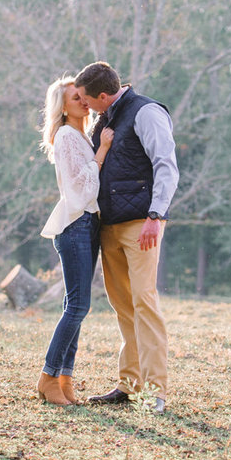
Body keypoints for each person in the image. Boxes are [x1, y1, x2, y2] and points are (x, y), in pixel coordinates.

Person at [74, 61, 178, 414]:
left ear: (103, 96)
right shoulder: (105, 119)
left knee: (144, 302)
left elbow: (166, 164)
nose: (85, 107)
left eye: (87, 101)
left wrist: (155, 214)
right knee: (122, 306)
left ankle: (154, 392)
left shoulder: (146, 112)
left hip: (141, 224)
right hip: (109, 226)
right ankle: (129, 384)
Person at [36, 76, 113, 406]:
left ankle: (65, 380)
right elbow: (78, 188)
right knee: (79, 305)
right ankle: (48, 377)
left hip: (88, 225)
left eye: (83, 96)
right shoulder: (67, 136)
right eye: (75, 97)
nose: (84, 101)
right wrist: (102, 153)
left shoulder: (82, 135)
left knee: (76, 306)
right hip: (75, 225)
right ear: (63, 107)